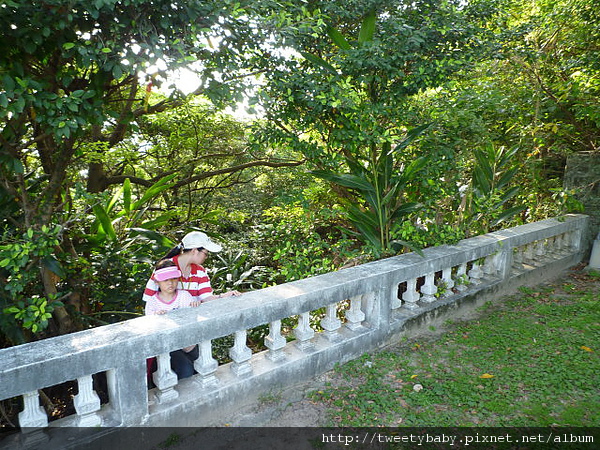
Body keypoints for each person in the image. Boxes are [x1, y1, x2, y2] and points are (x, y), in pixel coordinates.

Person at [142, 231, 240, 304]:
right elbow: (149, 299)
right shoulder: (165, 267)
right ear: (194, 251)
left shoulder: (200, 271)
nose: (206, 257)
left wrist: (223, 296)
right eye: (205, 254)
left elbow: (206, 298)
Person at [144, 259, 201, 380]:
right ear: (157, 282)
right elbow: (150, 328)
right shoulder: (152, 303)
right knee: (186, 370)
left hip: (188, 343)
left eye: (174, 279)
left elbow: (192, 320)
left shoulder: (184, 296)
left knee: (200, 368)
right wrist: (156, 318)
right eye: (165, 280)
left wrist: (194, 308)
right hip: (169, 347)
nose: (170, 283)